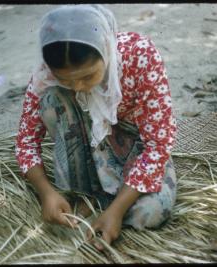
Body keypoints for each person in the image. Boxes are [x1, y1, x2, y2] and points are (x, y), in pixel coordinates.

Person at [15, 4, 177, 251]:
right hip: (86, 145)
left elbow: (159, 144)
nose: (78, 87)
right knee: (51, 99)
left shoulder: (139, 56)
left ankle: (108, 204)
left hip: (135, 151)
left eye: (88, 76)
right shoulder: (46, 74)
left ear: (106, 49)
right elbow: (26, 140)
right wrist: (46, 192)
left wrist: (117, 210)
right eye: (66, 79)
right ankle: (85, 194)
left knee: (150, 213)